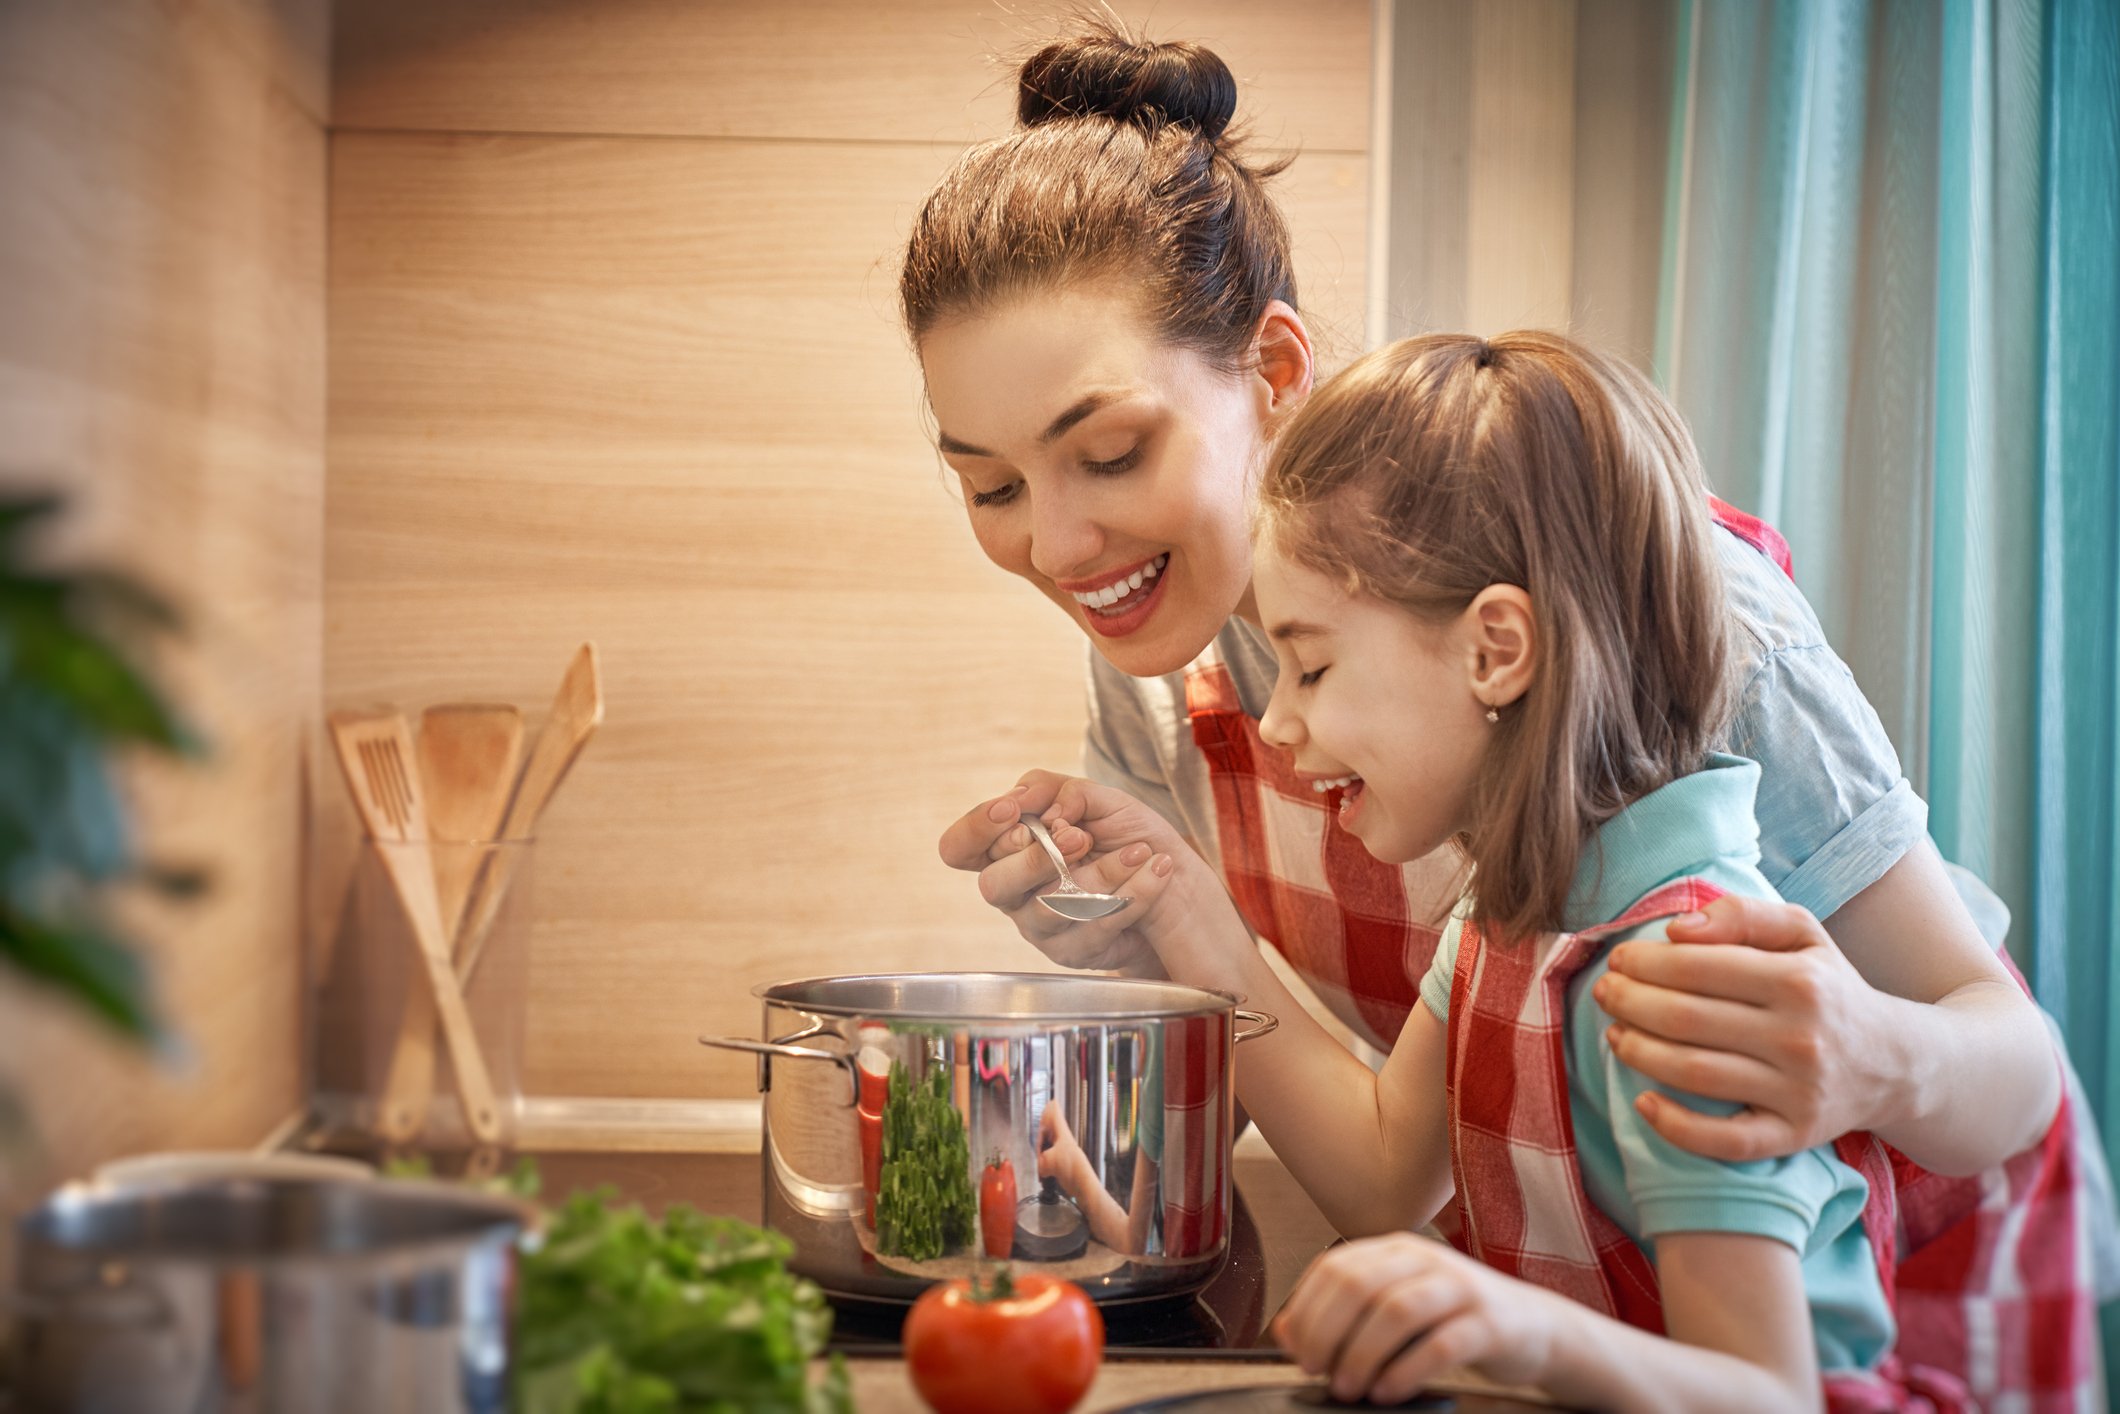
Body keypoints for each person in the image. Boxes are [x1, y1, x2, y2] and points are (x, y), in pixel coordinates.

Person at [998, 331, 2095, 1407]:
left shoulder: (1679, 972)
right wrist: (1180, 910)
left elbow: (1767, 1392)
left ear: (1495, 650)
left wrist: (1511, 1324)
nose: (1277, 720)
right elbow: (1385, 1175)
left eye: (1313, 664)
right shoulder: (1513, 904)